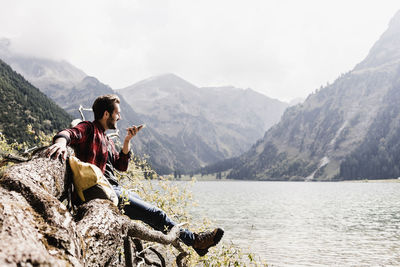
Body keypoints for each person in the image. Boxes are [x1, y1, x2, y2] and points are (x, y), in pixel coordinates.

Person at [46, 94, 223, 256]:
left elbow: (121, 165)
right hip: (100, 192)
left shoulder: (106, 139)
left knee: (154, 213)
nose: (120, 117)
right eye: (117, 113)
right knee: (156, 214)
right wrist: (61, 144)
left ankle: (195, 241)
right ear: (106, 114)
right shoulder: (89, 128)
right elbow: (68, 133)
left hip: (113, 189)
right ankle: (196, 241)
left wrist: (127, 141)